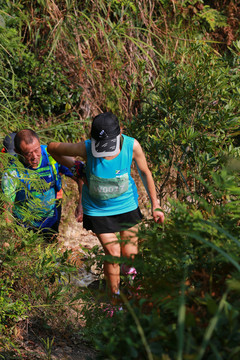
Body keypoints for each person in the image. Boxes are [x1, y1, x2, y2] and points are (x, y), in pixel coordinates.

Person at [47, 112, 164, 302]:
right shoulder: (85, 147)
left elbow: (144, 172)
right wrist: (77, 168)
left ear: (120, 133)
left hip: (127, 205)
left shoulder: (131, 146)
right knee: (113, 252)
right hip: (98, 209)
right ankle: (114, 300)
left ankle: (130, 282)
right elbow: (53, 149)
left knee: (129, 255)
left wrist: (156, 204)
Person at [1, 129, 84, 241]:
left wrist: (82, 204)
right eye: (28, 153)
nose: (35, 156)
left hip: (51, 219)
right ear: (17, 151)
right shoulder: (12, 172)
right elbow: (7, 208)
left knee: (51, 250)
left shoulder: (52, 156)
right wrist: (9, 237)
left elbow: (81, 175)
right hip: (24, 227)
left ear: (39, 142)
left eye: (37, 150)